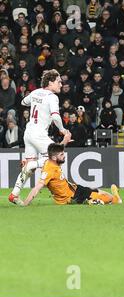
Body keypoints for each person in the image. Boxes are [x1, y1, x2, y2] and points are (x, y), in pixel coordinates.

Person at [9, 69, 72, 205]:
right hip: (39, 134)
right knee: (56, 156)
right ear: (50, 82)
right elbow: (55, 116)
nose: (61, 84)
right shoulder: (52, 97)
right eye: (58, 82)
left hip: (29, 133)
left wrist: (36, 102)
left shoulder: (36, 92)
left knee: (30, 168)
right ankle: (32, 163)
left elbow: (23, 102)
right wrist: (62, 130)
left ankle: (14, 194)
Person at [21, 143, 122, 206]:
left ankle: (112, 198)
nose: (64, 156)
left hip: (74, 189)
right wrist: (25, 203)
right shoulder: (49, 171)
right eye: (61, 155)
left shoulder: (50, 160)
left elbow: (36, 163)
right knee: (107, 198)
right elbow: (37, 188)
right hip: (72, 197)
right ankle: (101, 201)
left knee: (99, 190)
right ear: (55, 158)